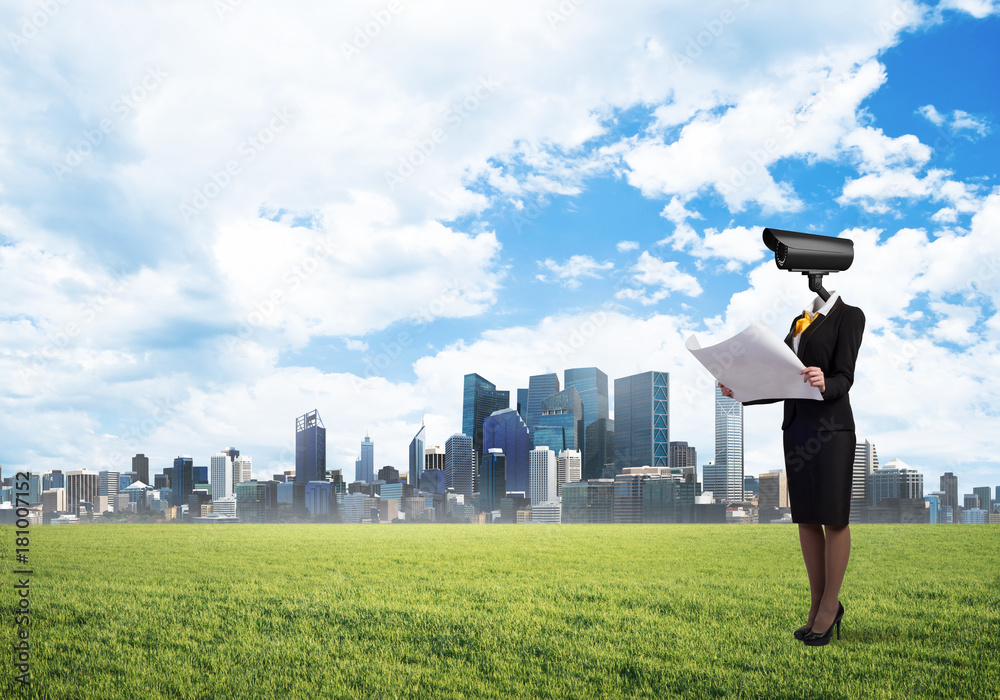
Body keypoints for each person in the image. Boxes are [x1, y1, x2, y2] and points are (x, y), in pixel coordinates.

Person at [719, 289, 864, 647]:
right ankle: (816, 605)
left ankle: (831, 606)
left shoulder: (850, 315)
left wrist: (825, 381)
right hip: (797, 429)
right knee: (807, 519)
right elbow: (781, 380)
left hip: (832, 429)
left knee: (834, 518)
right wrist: (742, 392)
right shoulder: (797, 324)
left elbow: (845, 376)